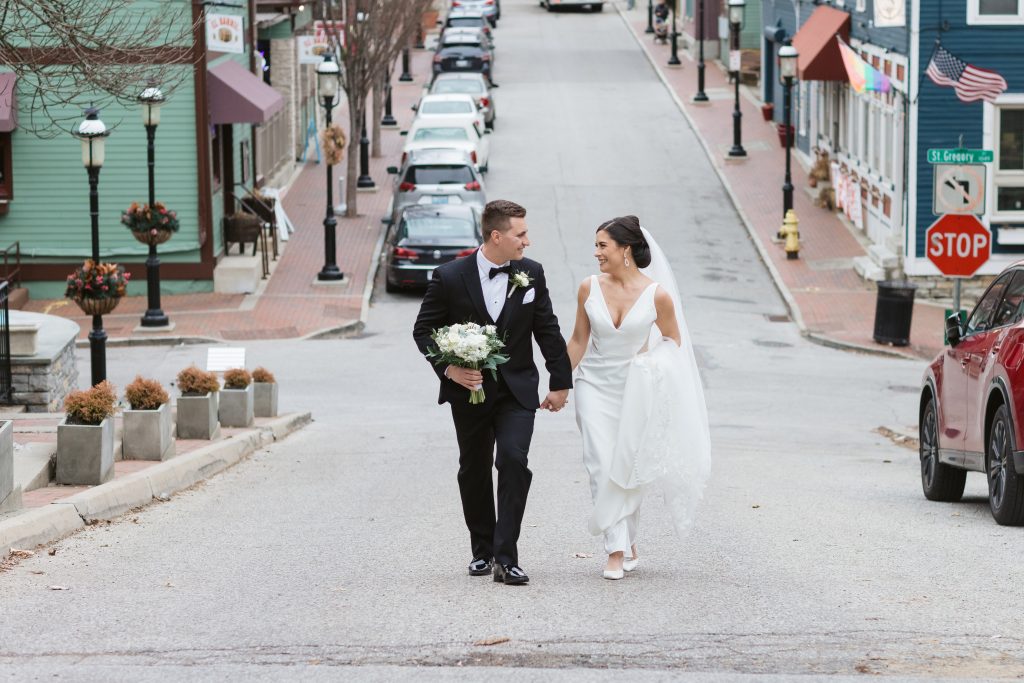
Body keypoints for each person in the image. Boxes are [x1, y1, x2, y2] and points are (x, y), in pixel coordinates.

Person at [413, 199, 572, 586]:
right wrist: (450, 369)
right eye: (521, 234)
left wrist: (560, 381)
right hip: (469, 393)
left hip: (518, 391)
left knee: (513, 462)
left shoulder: (531, 274)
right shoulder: (450, 277)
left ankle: (507, 557)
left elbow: (547, 330)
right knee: (474, 469)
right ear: (497, 236)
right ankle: (481, 551)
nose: (527, 242)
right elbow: (424, 331)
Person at [566, 216, 711, 580]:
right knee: (600, 461)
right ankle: (615, 550)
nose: (596, 252)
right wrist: (558, 384)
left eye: (603, 245)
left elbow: (674, 341)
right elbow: (579, 340)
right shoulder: (588, 288)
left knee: (627, 466)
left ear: (625, 249)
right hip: (593, 385)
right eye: (596, 245)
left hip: (634, 389)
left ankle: (629, 539)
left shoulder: (657, 295)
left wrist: (650, 366)